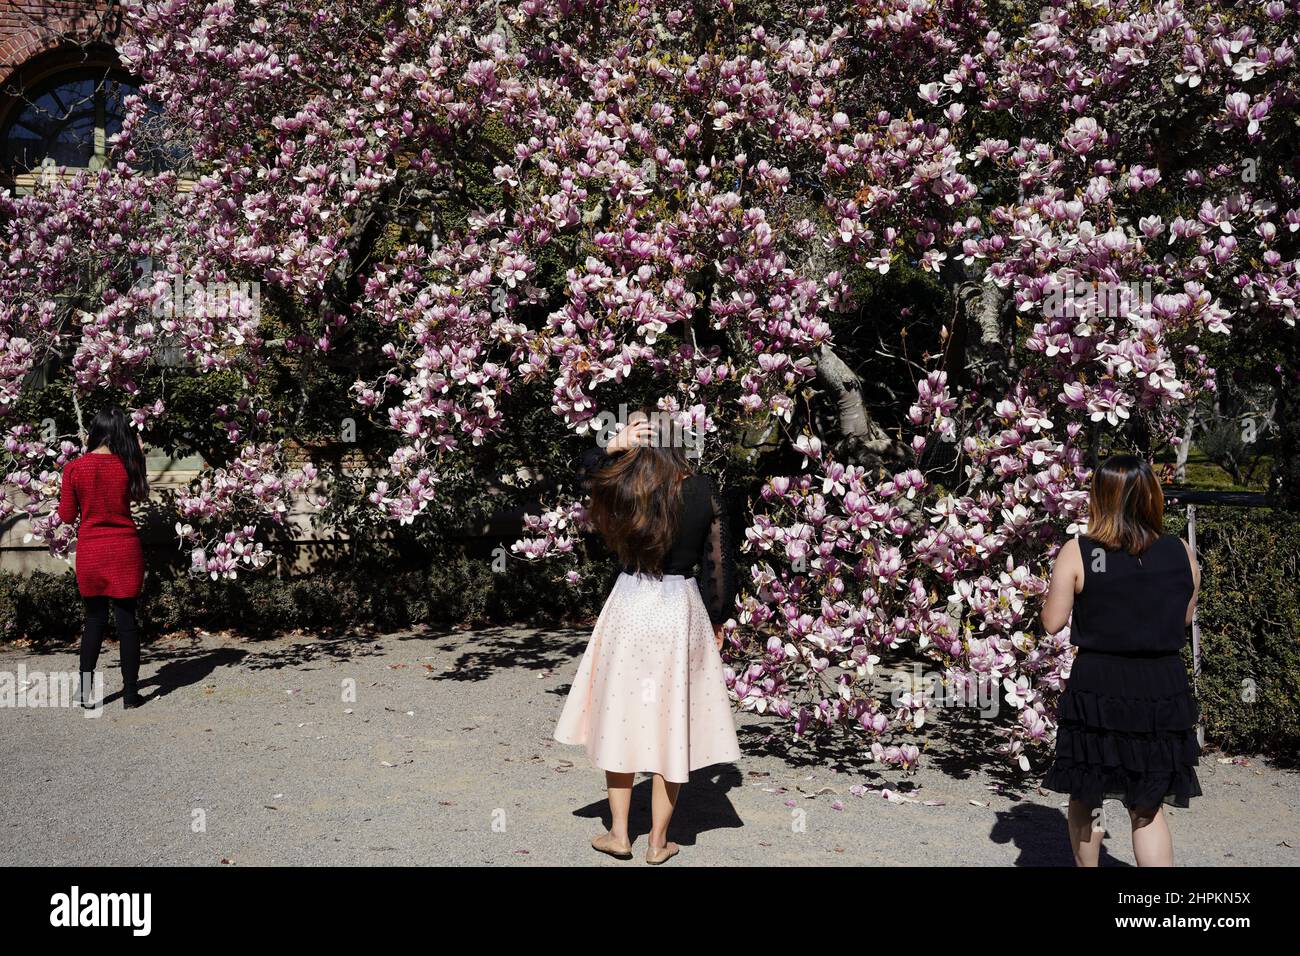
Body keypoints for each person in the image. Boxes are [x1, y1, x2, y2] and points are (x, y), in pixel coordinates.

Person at [554, 407, 742, 864]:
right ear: (678, 441)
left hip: (630, 603)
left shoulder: (622, 487)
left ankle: (619, 835)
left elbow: (580, 471)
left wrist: (610, 446)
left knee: (621, 716)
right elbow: (719, 565)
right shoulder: (702, 489)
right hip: (679, 609)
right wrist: (718, 619)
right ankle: (658, 842)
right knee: (671, 721)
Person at [1040, 454, 1202, 866]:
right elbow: (1184, 617)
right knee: (1147, 805)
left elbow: (1052, 623)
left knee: (1088, 794)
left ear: (1100, 498)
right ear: (1151, 495)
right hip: (1161, 687)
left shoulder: (1079, 551)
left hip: (1100, 685)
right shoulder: (1181, 551)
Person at [57, 405, 149, 709]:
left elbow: (67, 515)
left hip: (92, 551)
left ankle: (85, 692)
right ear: (122, 432)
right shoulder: (129, 465)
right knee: (127, 622)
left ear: (95, 431)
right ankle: (131, 695)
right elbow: (139, 496)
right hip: (125, 549)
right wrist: (140, 457)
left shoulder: (75, 468)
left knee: (94, 620)